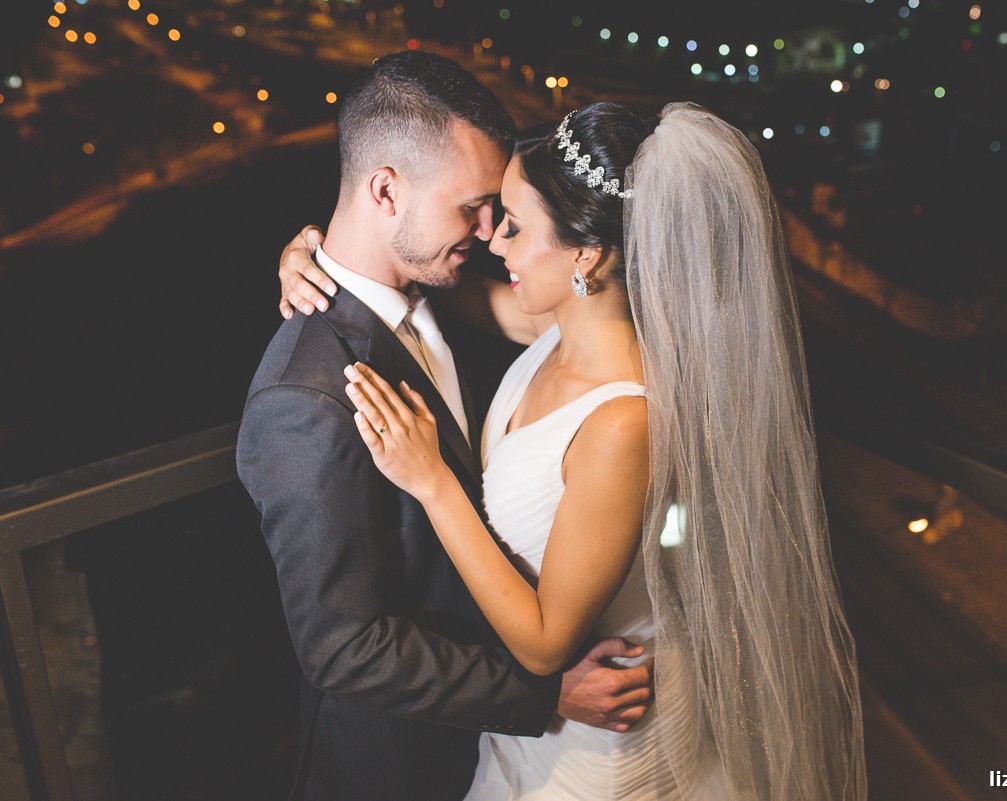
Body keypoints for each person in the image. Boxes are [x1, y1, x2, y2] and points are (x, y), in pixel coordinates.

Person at [280, 101, 868, 800]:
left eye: (515, 226)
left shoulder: (624, 421)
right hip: (534, 722)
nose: (494, 242)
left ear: (587, 252)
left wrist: (432, 480)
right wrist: (317, 259)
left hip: (598, 730)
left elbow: (545, 643)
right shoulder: (551, 330)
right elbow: (427, 290)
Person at [237, 54, 654, 801]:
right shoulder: (304, 399)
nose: (491, 233)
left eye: (502, 212)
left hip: (504, 740)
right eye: (473, 208)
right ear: (386, 190)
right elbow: (343, 649)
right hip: (402, 766)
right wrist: (542, 695)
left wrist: (308, 253)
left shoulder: (442, 293)